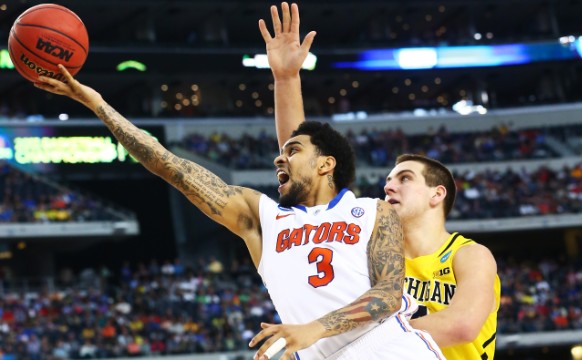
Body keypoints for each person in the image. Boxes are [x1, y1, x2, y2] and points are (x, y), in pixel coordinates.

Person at [33, 5, 444, 360]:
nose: (279, 156)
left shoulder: (371, 210)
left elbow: (390, 294)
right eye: (280, 152)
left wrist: (313, 328)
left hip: (389, 347)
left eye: (293, 151)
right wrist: (96, 103)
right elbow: (166, 163)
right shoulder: (262, 218)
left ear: (326, 164)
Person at [264, 2, 501, 359]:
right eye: (389, 179)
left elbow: (463, 324)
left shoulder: (468, 255)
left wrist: (344, 338)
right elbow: (305, 168)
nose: (389, 186)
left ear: (437, 194)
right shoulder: (371, 248)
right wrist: (286, 79)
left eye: (404, 178)